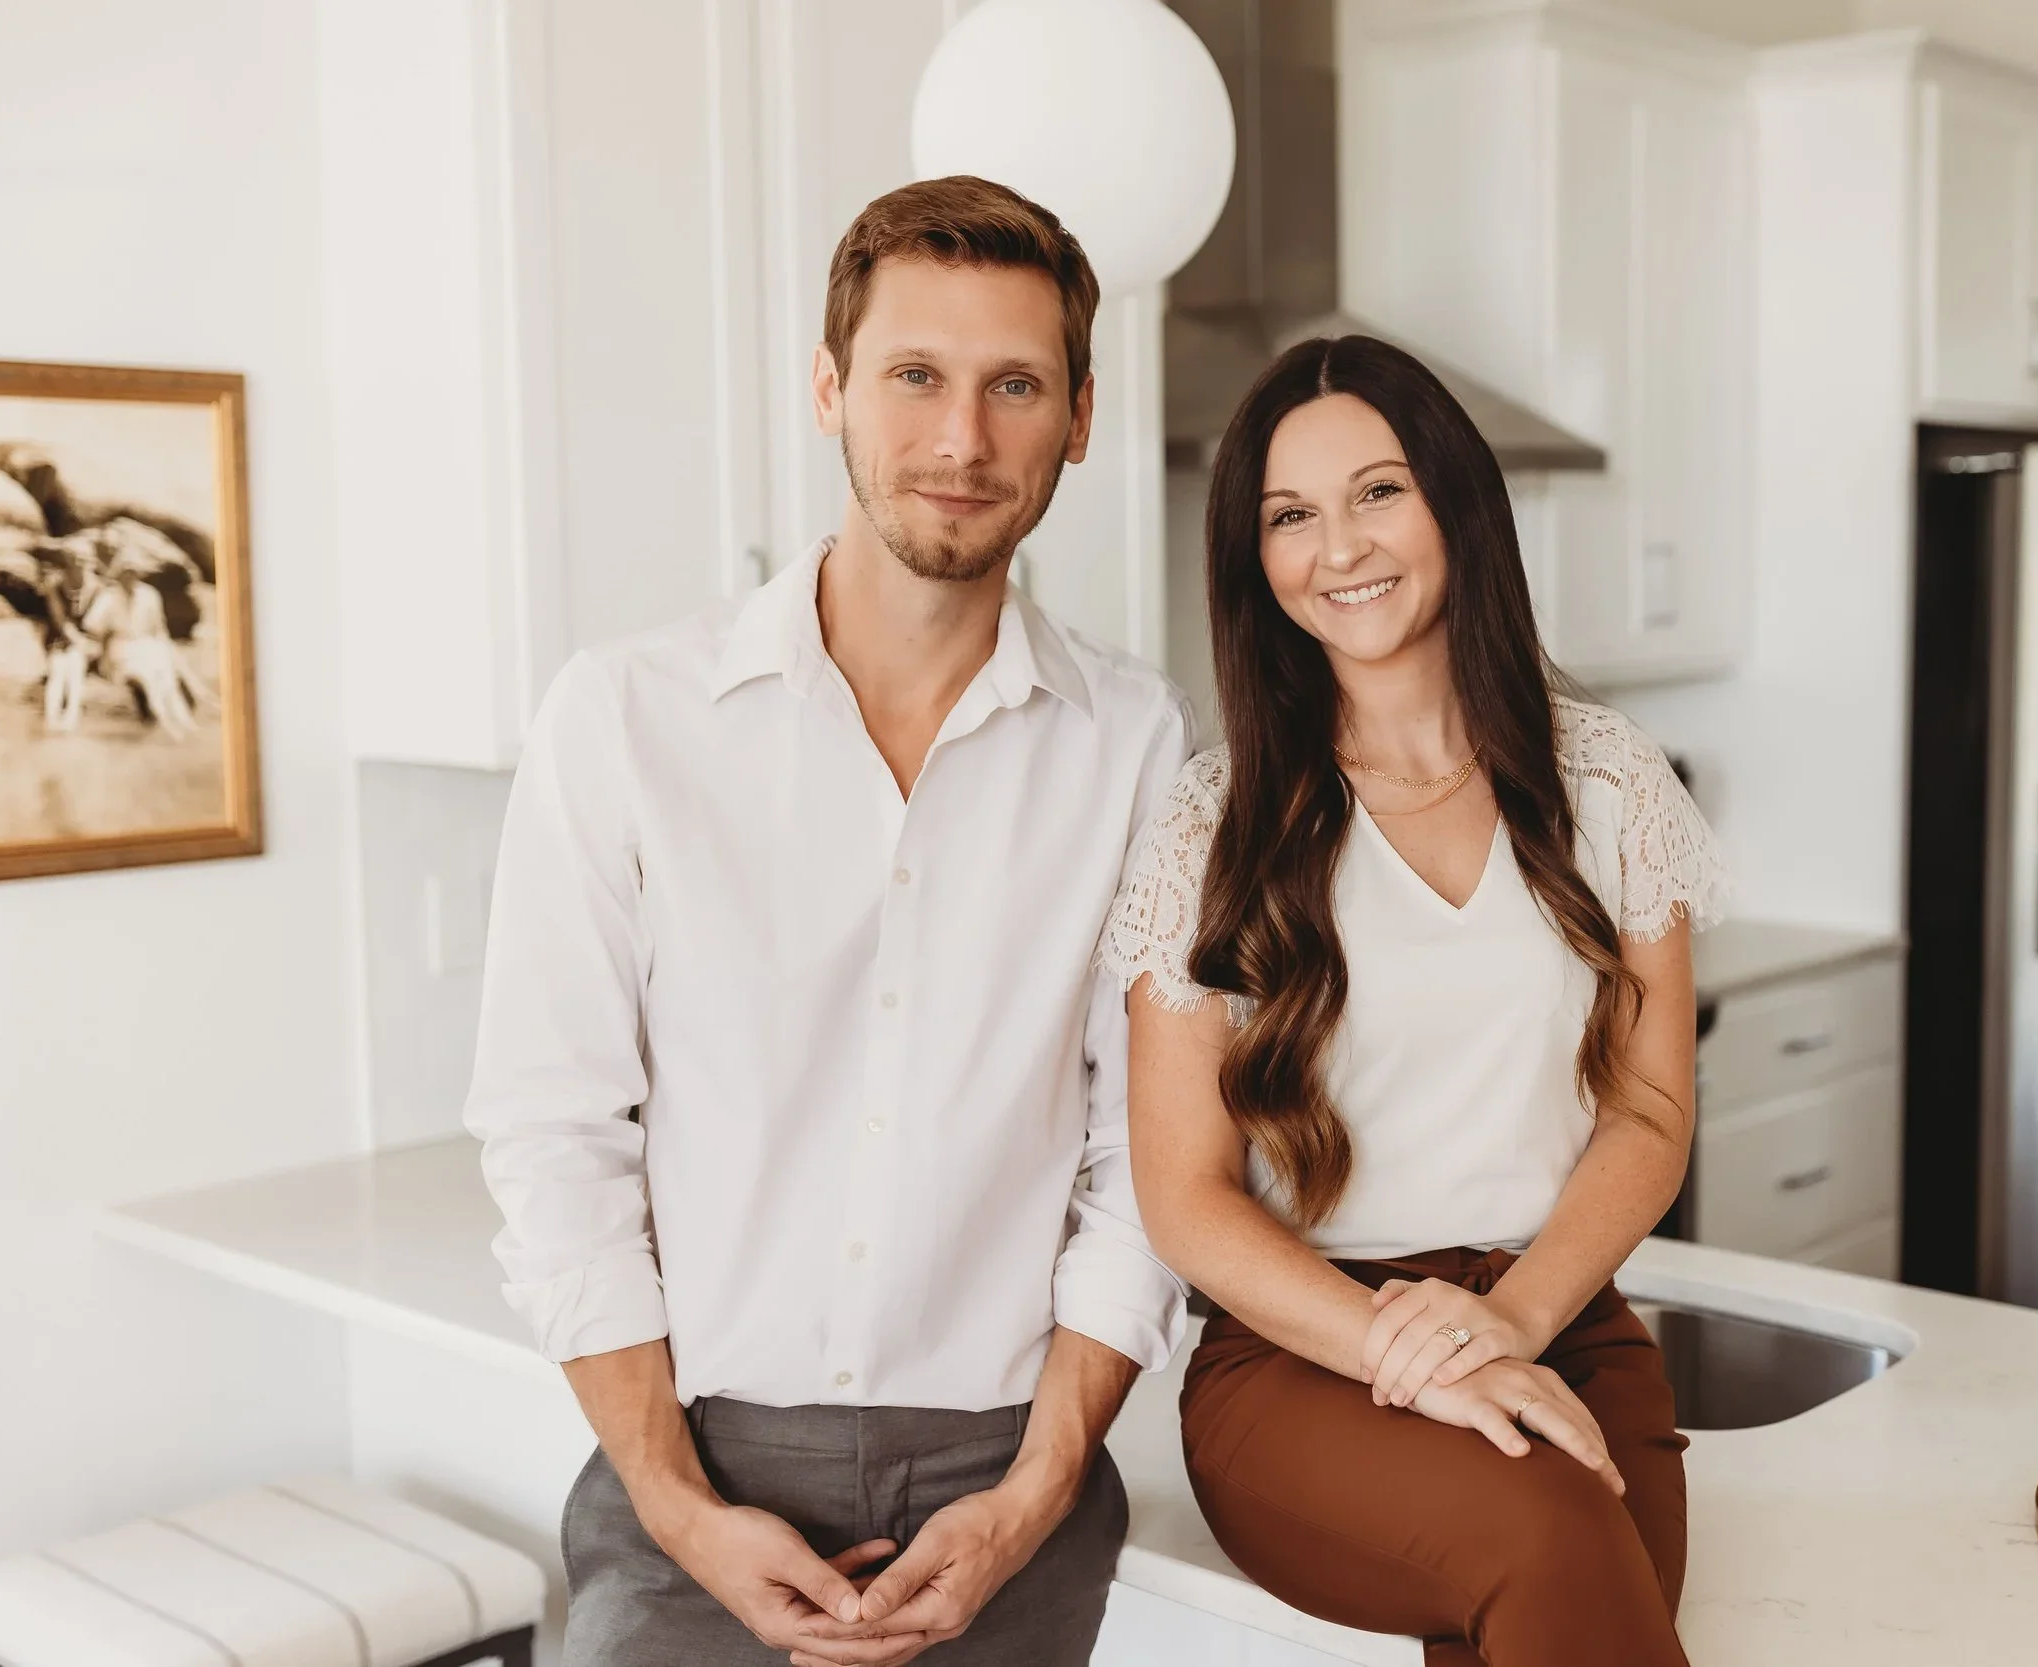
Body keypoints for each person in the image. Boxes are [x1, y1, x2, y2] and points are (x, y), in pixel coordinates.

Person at [465, 177, 1192, 1667]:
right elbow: (553, 1132)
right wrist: (675, 1498)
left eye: (1015, 386)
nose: (960, 439)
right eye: (914, 374)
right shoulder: (623, 718)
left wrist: (1039, 1485)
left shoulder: (1136, 739)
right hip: (694, 1470)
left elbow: (1149, 1155)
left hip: (1014, 1476)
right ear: (827, 387)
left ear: (1083, 414)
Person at [1104, 335, 1727, 1667]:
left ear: (1454, 502)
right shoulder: (1209, 831)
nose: (1340, 545)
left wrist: (1510, 1322)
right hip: (1303, 1354)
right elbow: (1187, 1195)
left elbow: (1650, 1109)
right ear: (1253, 559)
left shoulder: (1609, 782)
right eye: (1290, 515)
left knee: (1560, 1587)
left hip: (1561, 1322)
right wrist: (1427, 1354)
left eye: (1378, 492)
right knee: (1554, 1537)